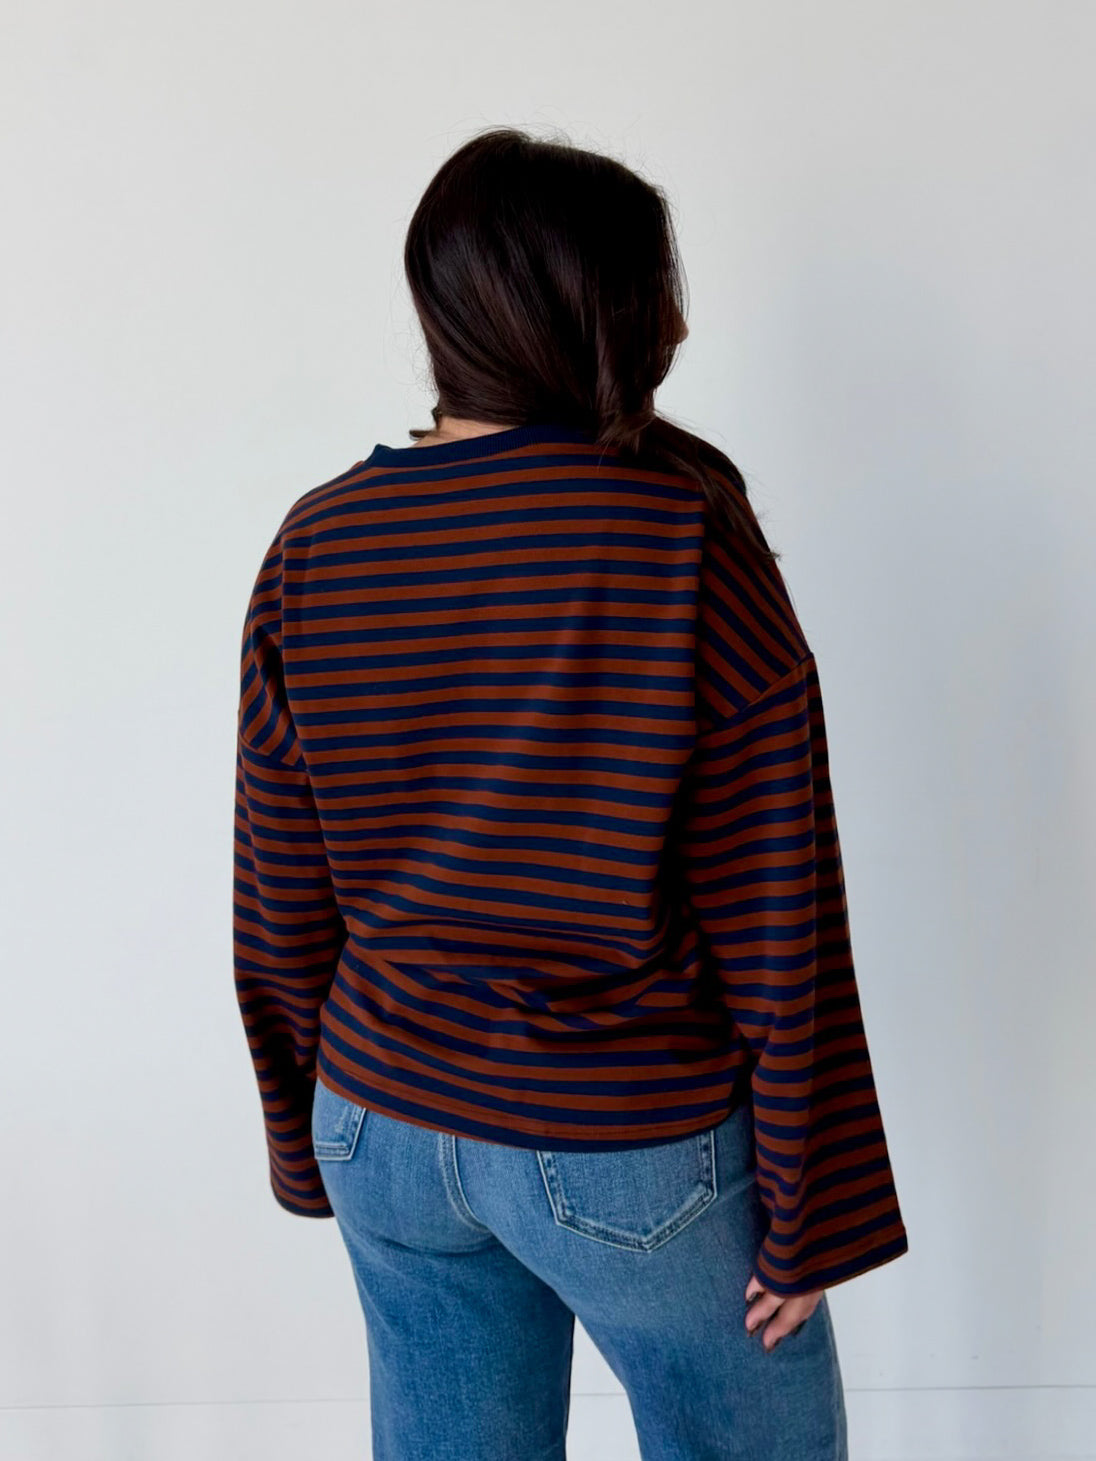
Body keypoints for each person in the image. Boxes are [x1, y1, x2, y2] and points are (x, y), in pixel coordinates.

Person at [233, 125, 909, 1461]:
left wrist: (306, 1135)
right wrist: (812, 1201)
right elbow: (778, 895)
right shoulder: (677, 530)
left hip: (383, 1115)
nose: (681, 324)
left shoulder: (315, 540)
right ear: (594, 310)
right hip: (623, 1133)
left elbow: (280, 885)